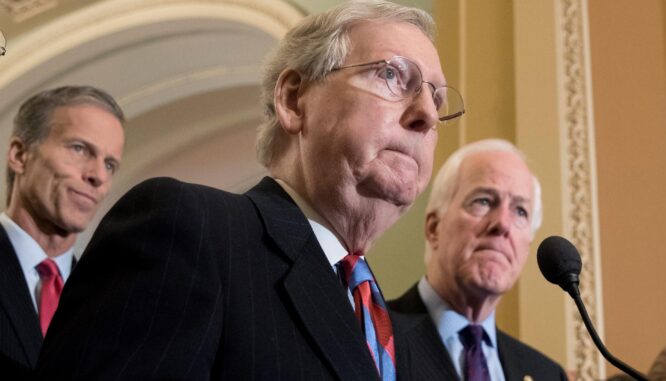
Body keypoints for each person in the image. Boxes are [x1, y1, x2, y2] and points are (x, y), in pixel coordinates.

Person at [36, 1, 465, 380]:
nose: (427, 114)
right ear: (294, 100)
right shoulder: (188, 229)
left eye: (438, 100)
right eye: (391, 74)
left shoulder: (383, 321)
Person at [389, 139, 567, 381]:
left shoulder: (547, 374)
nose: (503, 224)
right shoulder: (372, 332)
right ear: (434, 227)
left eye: (520, 211)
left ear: (528, 245)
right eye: (483, 201)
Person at [0, 86, 125, 378]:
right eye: (80, 149)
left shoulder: (109, 300)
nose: (98, 176)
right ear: (19, 155)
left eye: (110, 164)